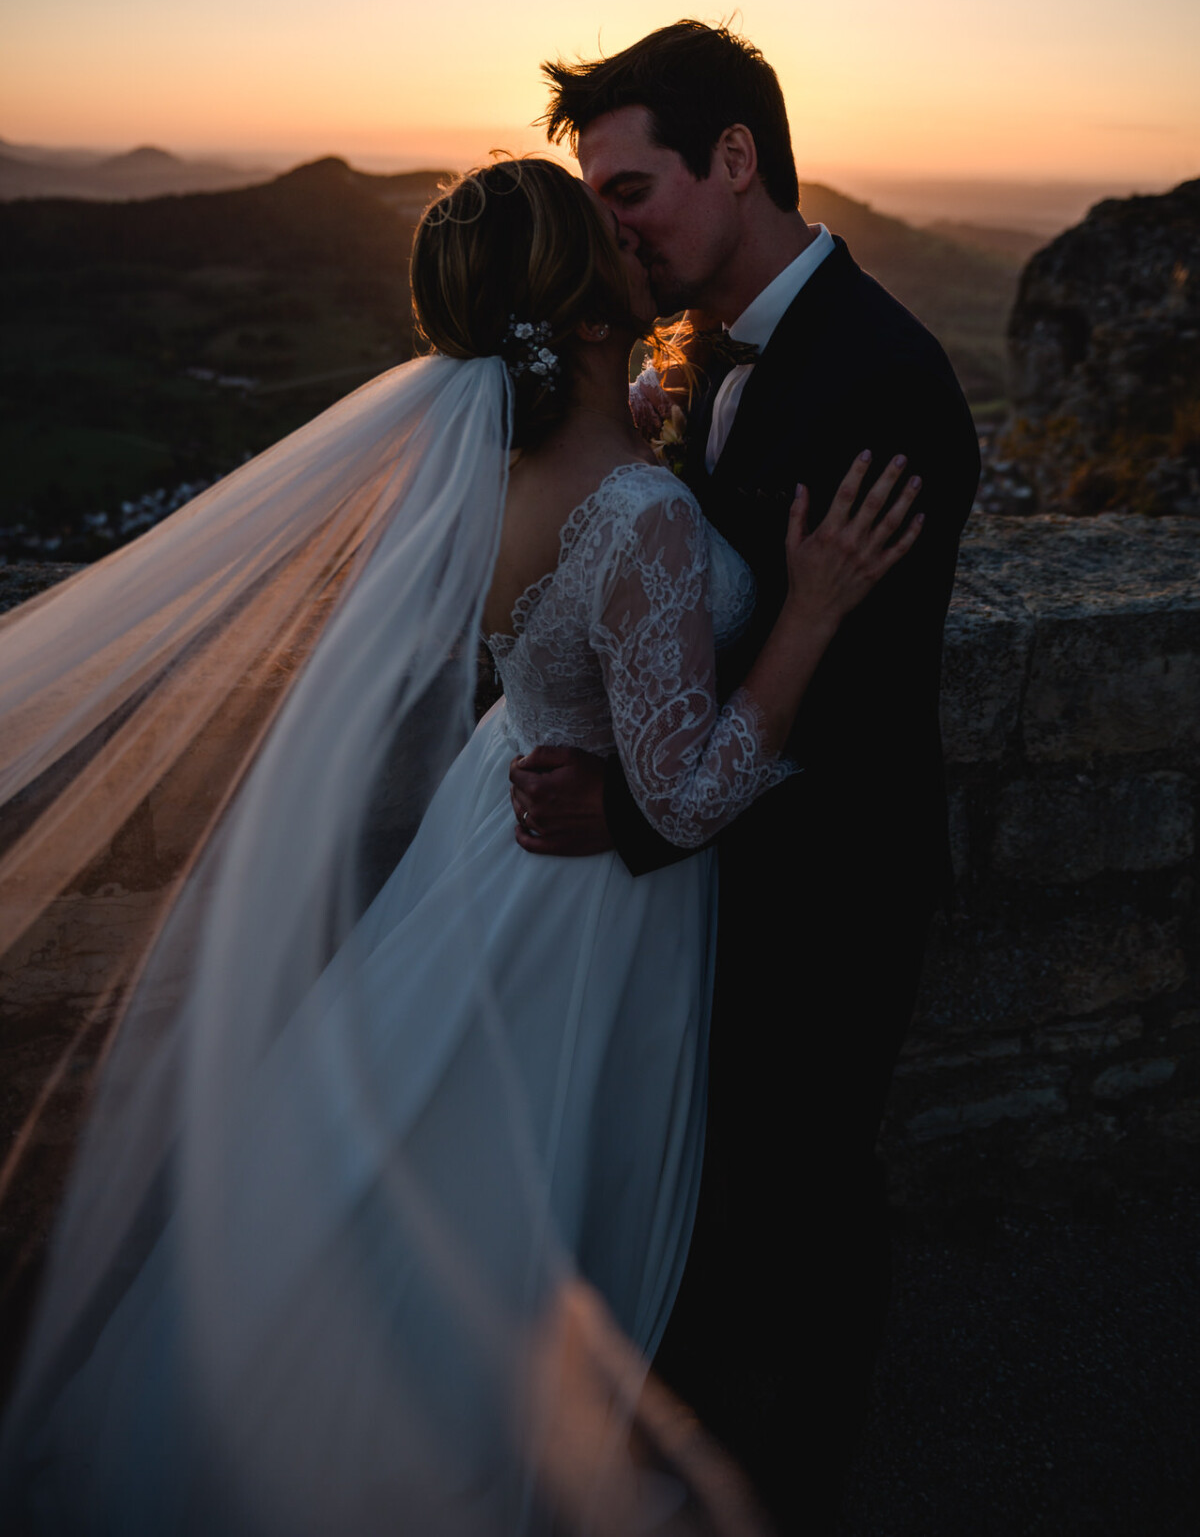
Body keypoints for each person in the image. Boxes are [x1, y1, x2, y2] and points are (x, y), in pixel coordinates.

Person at [0, 157, 920, 1536]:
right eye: (611, 235)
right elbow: (684, 796)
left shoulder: (501, 467)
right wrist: (807, 617)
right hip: (591, 899)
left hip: (494, 830)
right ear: (590, 313)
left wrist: (642, 422)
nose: (637, 242)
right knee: (524, 1201)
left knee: (423, 1170)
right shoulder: (640, 512)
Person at [510, 24, 983, 1522]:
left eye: (631, 192)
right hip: (715, 868)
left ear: (734, 159)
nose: (615, 233)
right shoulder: (703, 350)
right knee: (711, 1202)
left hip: (829, 881)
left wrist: (628, 811)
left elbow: (847, 692)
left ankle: (801, 1489)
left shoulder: (883, 377)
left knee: (810, 1199)